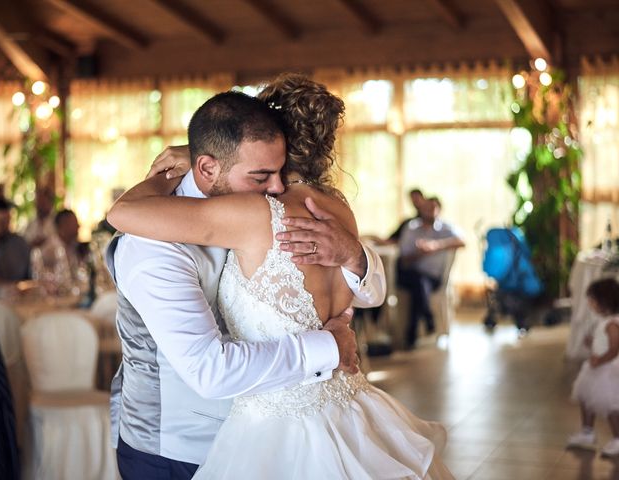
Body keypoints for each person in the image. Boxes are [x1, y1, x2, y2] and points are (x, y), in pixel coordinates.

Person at [108, 74, 452, 479]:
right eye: (260, 176)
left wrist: (355, 256)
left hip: (267, 436)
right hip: (175, 445)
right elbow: (209, 370)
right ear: (209, 166)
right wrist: (328, 346)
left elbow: (368, 287)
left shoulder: (265, 206)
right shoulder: (153, 242)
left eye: (275, 171)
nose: (271, 188)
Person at [397, 196, 464, 348]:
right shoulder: (412, 229)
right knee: (417, 283)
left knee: (420, 285)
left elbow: (462, 241)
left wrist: (435, 246)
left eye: (433, 208)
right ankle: (427, 320)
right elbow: (403, 260)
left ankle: (413, 334)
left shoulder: (445, 229)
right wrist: (421, 253)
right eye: (427, 208)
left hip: (433, 278)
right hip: (411, 274)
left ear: (439, 210)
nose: (430, 211)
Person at [568, 277, 619, 457]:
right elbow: (603, 343)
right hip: (596, 368)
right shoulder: (604, 321)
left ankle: (617, 438)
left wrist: (601, 359)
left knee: (612, 406)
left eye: (592, 300)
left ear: (604, 302)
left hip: (609, 370)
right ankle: (587, 432)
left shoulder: (613, 324)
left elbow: (615, 349)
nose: (590, 303)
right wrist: (592, 344)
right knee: (586, 398)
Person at [35, 209, 88, 294]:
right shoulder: (49, 250)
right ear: (64, 224)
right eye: (74, 222)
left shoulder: (73, 246)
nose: (78, 226)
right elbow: (39, 277)